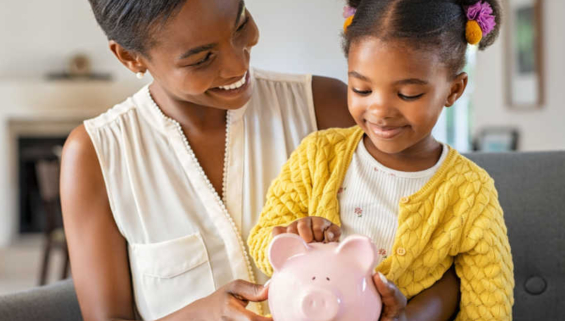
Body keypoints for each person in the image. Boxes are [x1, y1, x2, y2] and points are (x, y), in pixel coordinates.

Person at [61, 0, 460, 320]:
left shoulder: (326, 109)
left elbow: (450, 248)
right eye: (201, 58)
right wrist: (201, 314)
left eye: (240, 26)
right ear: (131, 58)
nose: (238, 65)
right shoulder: (96, 155)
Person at [248, 1, 514, 320]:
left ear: (454, 90)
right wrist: (294, 234)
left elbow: (488, 307)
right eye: (362, 89)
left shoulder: (470, 192)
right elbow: (262, 241)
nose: (380, 110)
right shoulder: (318, 154)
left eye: (408, 94)